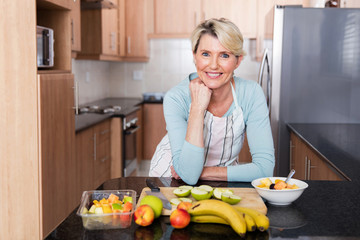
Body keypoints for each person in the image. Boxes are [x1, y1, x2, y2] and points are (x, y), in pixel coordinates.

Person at [149, 18, 275, 185]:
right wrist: (197, 108)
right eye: (206, 54)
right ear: (194, 56)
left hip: (220, 179)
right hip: (170, 179)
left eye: (224, 55)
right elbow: (187, 175)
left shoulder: (251, 94)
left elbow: (265, 169)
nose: (214, 65)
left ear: (238, 61)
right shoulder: (176, 97)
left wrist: (203, 171)